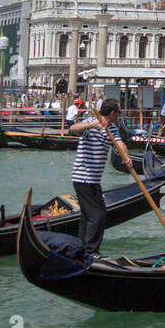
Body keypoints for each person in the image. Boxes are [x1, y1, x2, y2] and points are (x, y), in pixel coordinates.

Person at [67, 98, 131, 257]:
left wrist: (126, 156)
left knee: (88, 215)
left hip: (93, 180)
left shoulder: (113, 128)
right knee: (98, 215)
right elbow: (73, 128)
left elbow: (119, 143)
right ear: (112, 113)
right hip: (83, 177)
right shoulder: (90, 123)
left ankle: (80, 248)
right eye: (119, 112)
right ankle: (91, 252)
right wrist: (93, 124)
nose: (119, 115)